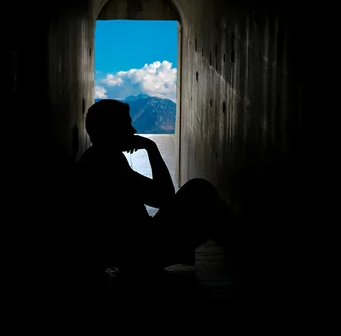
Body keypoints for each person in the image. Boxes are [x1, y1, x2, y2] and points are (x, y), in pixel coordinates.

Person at [71, 99, 229, 283]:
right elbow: (164, 197)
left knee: (200, 192)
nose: (133, 131)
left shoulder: (99, 158)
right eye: (126, 125)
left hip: (132, 247)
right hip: (137, 251)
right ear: (111, 129)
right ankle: (244, 250)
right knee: (200, 191)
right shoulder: (104, 163)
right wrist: (151, 149)